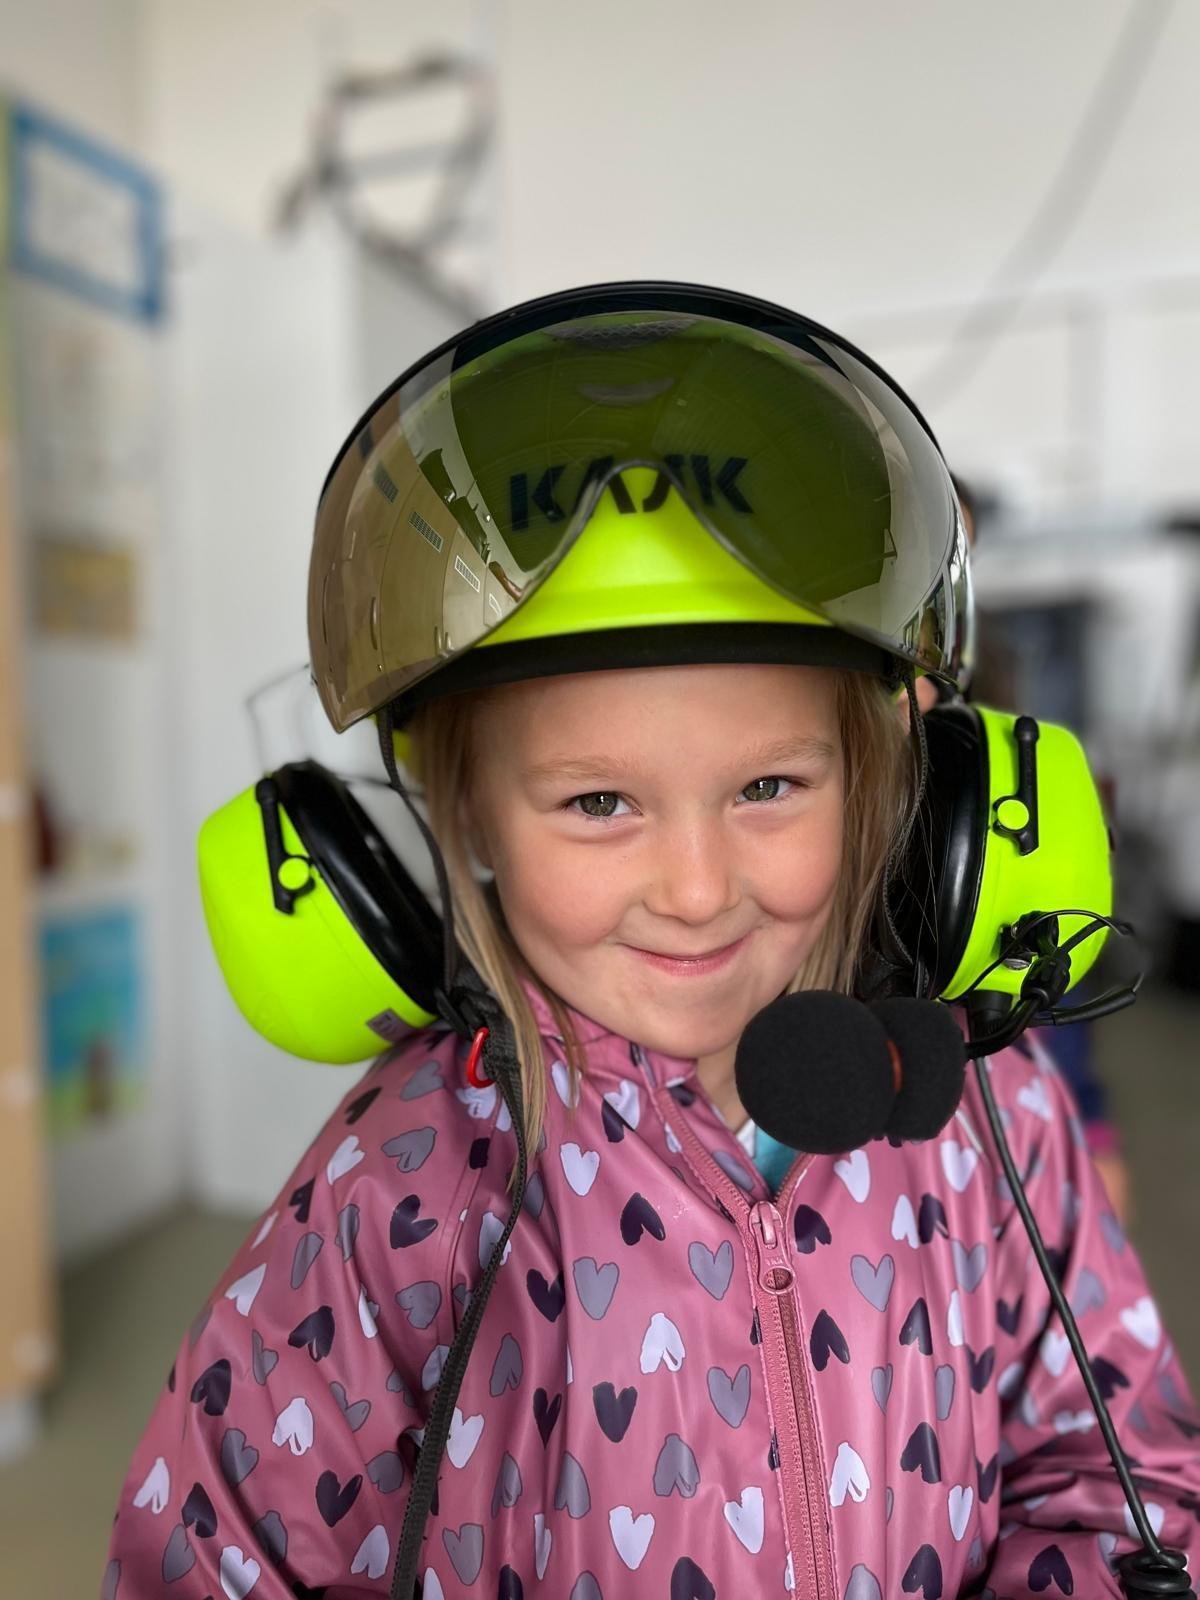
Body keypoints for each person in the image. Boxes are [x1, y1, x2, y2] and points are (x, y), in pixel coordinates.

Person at [102, 285, 1200, 1599]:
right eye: (598, 804)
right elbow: (211, 1561)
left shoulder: (990, 1120)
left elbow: (1119, 1481)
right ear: (461, 816)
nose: (694, 889)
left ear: (890, 783)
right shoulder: (396, 1185)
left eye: (768, 788)